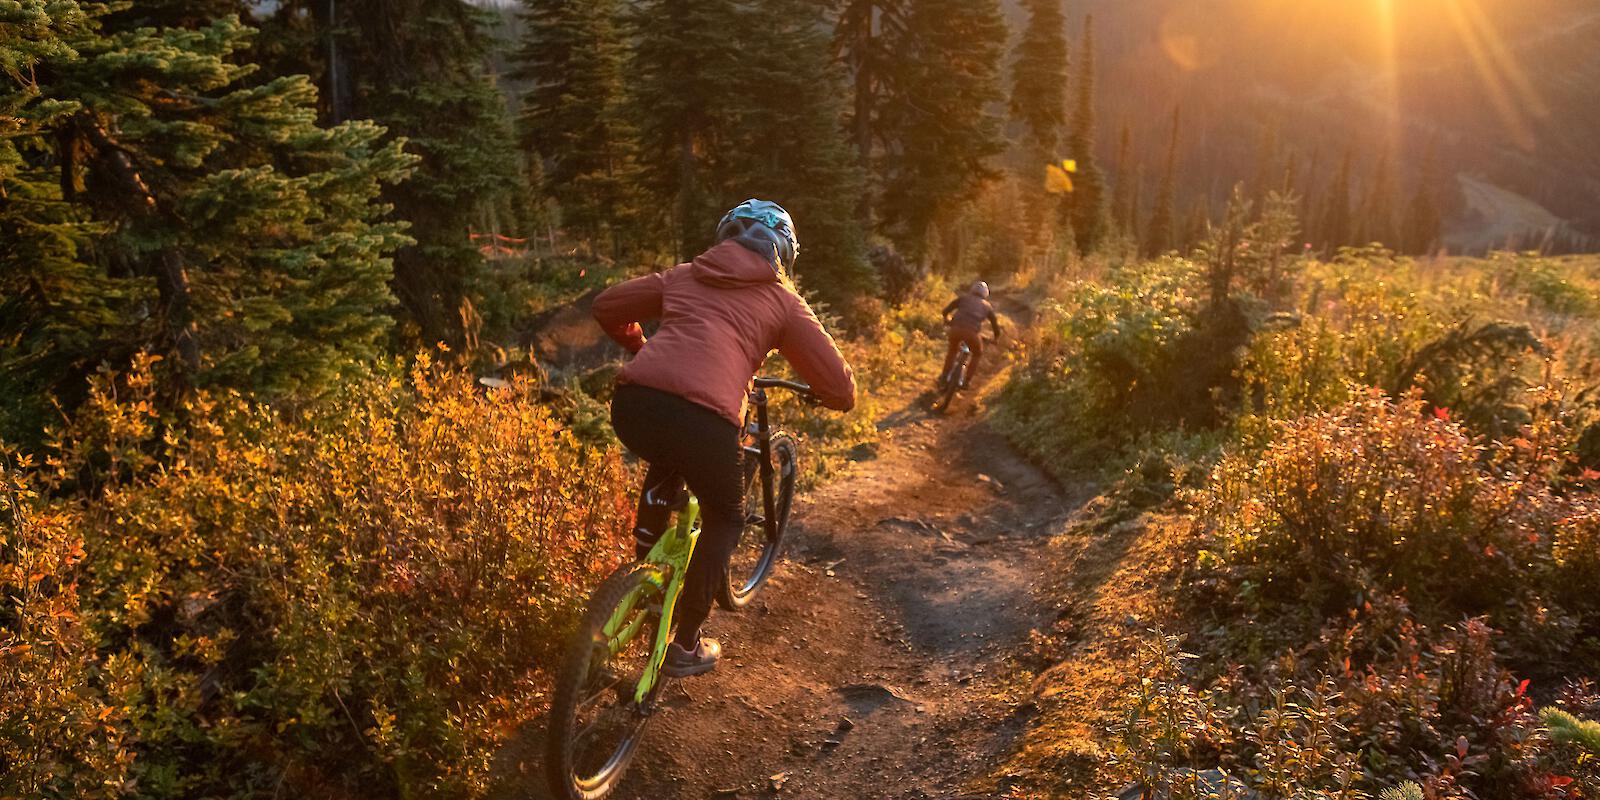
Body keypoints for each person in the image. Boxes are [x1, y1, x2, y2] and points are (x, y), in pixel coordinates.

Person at [591, 199, 856, 677]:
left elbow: (607, 307)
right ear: (783, 255)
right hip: (707, 421)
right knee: (727, 517)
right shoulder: (782, 300)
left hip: (635, 405)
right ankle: (686, 644)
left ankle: (644, 573)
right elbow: (840, 388)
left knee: (668, 452)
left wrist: (639, 346)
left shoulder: (685, 274)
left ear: (725, 238)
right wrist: (830, 398)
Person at [941, 281, 1001, 389]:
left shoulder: (963, 298)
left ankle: (944, 375)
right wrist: (996, 338)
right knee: (977, 353)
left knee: (952, 350)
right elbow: (995, 325)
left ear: (972, 290)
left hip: (956, 329)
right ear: (985, 294)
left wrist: (946, 319)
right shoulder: (987, 306)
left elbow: (946, 311)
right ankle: (967, 381)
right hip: (972, 334)